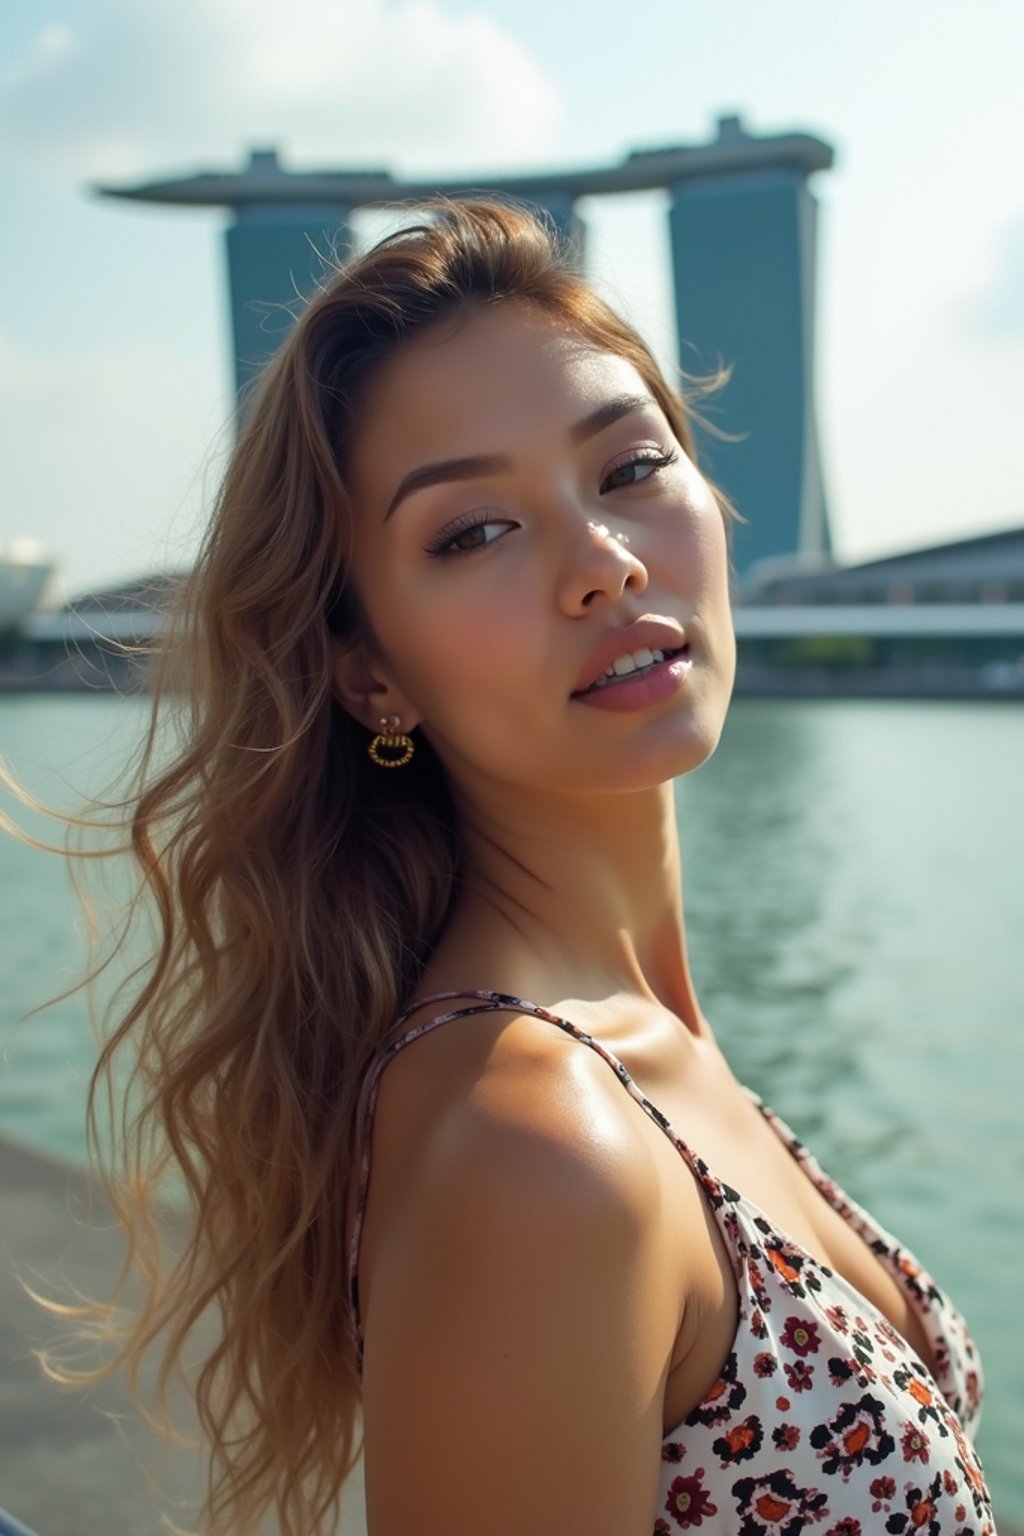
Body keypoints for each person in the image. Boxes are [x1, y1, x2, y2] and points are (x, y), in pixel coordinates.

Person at [39, 198, 993, 1535]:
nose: (603, 564)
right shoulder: (534, 1140)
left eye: (629, 468)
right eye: (473, 531)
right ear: (371, 671)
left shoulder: (637, 1044)